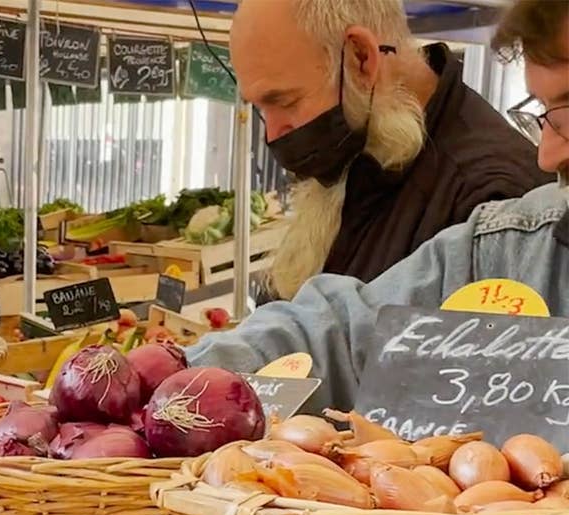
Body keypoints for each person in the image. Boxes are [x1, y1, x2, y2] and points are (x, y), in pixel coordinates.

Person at [192, 0, 569, 515]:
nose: (545, 153)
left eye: (566, 114)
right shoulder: (515, 244)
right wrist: (190, 381)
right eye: (540, 116)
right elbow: (342, 325)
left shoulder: (484, 179)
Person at [232, 0, 550, 300]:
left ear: (361, 57)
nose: (272, 134)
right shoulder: (363, 150)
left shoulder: (492, 197)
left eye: (284, 102)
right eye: (261, 108)